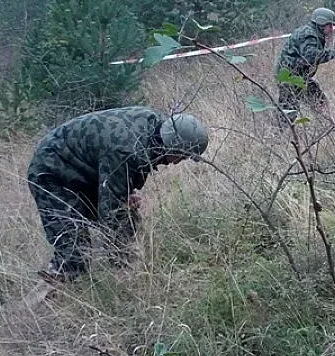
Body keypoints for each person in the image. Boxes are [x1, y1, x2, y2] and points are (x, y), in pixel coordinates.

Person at [27, 107, 210, 282]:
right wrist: (122, 263)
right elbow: (111, 212)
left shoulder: (155, 127)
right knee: (74, 254)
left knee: (127, 213)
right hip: (51, 170)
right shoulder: (127, 150)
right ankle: (43, 296)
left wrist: (123, 194)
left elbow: (115, 183)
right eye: (182, 155)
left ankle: (121, 268)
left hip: (81, 170)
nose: (178, 162)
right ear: (171, 146)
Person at [275, 7, 335, 122]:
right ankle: (281, 132)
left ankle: (328, 126)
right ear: (321, 24)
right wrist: (334, 53)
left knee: (319, 100)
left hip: (300, 77)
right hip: (289, 78)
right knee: (288, 113)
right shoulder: (309, 35)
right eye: (330, 25)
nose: (332, 29)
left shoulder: (312, 33)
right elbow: (311, 57)